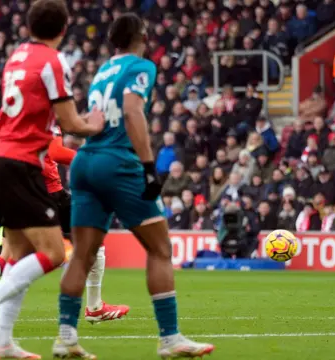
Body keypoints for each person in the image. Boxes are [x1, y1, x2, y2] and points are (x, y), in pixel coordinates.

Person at [53, 14, 215, 359]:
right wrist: (148, 167)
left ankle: (65, 337)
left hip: (85, 162)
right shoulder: (141, 66)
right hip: (119, 164)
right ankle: (170, 339)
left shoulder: (102, 71)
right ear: (141, 35)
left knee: (82, 254)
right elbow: (131, 111)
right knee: (159, 249)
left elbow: (89, 120)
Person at [0, 0, 105, 358]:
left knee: (19, 254)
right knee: (54, 252)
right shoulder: (55, 61)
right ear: (64, 28)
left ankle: (4, 339)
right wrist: (97, 127)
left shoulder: (18, 54)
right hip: (22, 162)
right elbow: (70, 123)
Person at [0, 127, 129, 331]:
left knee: (7, 260)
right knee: (81, 245)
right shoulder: (42, 108)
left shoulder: (10, 114)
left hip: (15, 194)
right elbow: (57, 152)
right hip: (46, 194)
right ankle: (92, 307)